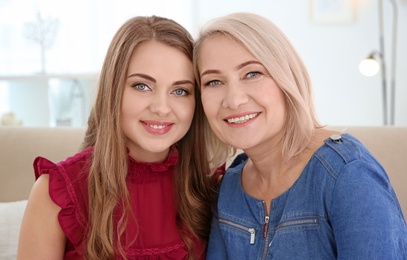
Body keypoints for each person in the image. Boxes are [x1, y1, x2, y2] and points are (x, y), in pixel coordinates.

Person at [193, 12, 407, 259]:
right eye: (213, 82)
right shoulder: (229, 188)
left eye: (252, 74)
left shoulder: (348, 175)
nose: (233, 99)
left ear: (286, 77)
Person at [17, 15, 223, 260]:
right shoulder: (56, 193)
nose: (161, 108)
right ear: (113, 90)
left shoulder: (211, 190)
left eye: (180, 91)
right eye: (142, 86)